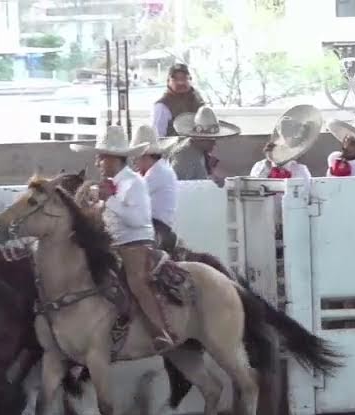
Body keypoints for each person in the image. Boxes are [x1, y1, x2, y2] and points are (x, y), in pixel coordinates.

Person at [71, 126, 173, 351]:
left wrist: (109, 200)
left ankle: (161, 331)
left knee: (136, 281)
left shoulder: (134, 183)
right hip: (116, 243)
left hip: (135, 243)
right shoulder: (112, 185)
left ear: (112, 159)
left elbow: (138, 220)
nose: (97, 162)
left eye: (100, 157)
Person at [130, 125, 181, 253]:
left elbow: (131, 197)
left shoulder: (156, 173)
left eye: (135, 158)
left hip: (157, 230)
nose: (134, 163)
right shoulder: (161, 169)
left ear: (145, 156)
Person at [170, 106, 242, 186]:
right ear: (199, 138)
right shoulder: (183, 156)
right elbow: (179, 186)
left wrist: (212, 181)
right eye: (210, 140)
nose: (214, 143)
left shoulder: (200, 153)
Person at [250, 104, 320, 182]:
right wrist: (267, 167)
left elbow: (305, 190)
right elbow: (254, 186)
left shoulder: (299, 170)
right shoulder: (260, 166)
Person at [152, 63, 206, 138]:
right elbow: (158, 138)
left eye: (184, 78)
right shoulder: (162, 106)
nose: (180, 82)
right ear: (168, 82)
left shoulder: (198, 100)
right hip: (173, 149)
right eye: (175, 79)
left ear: (190, 80)